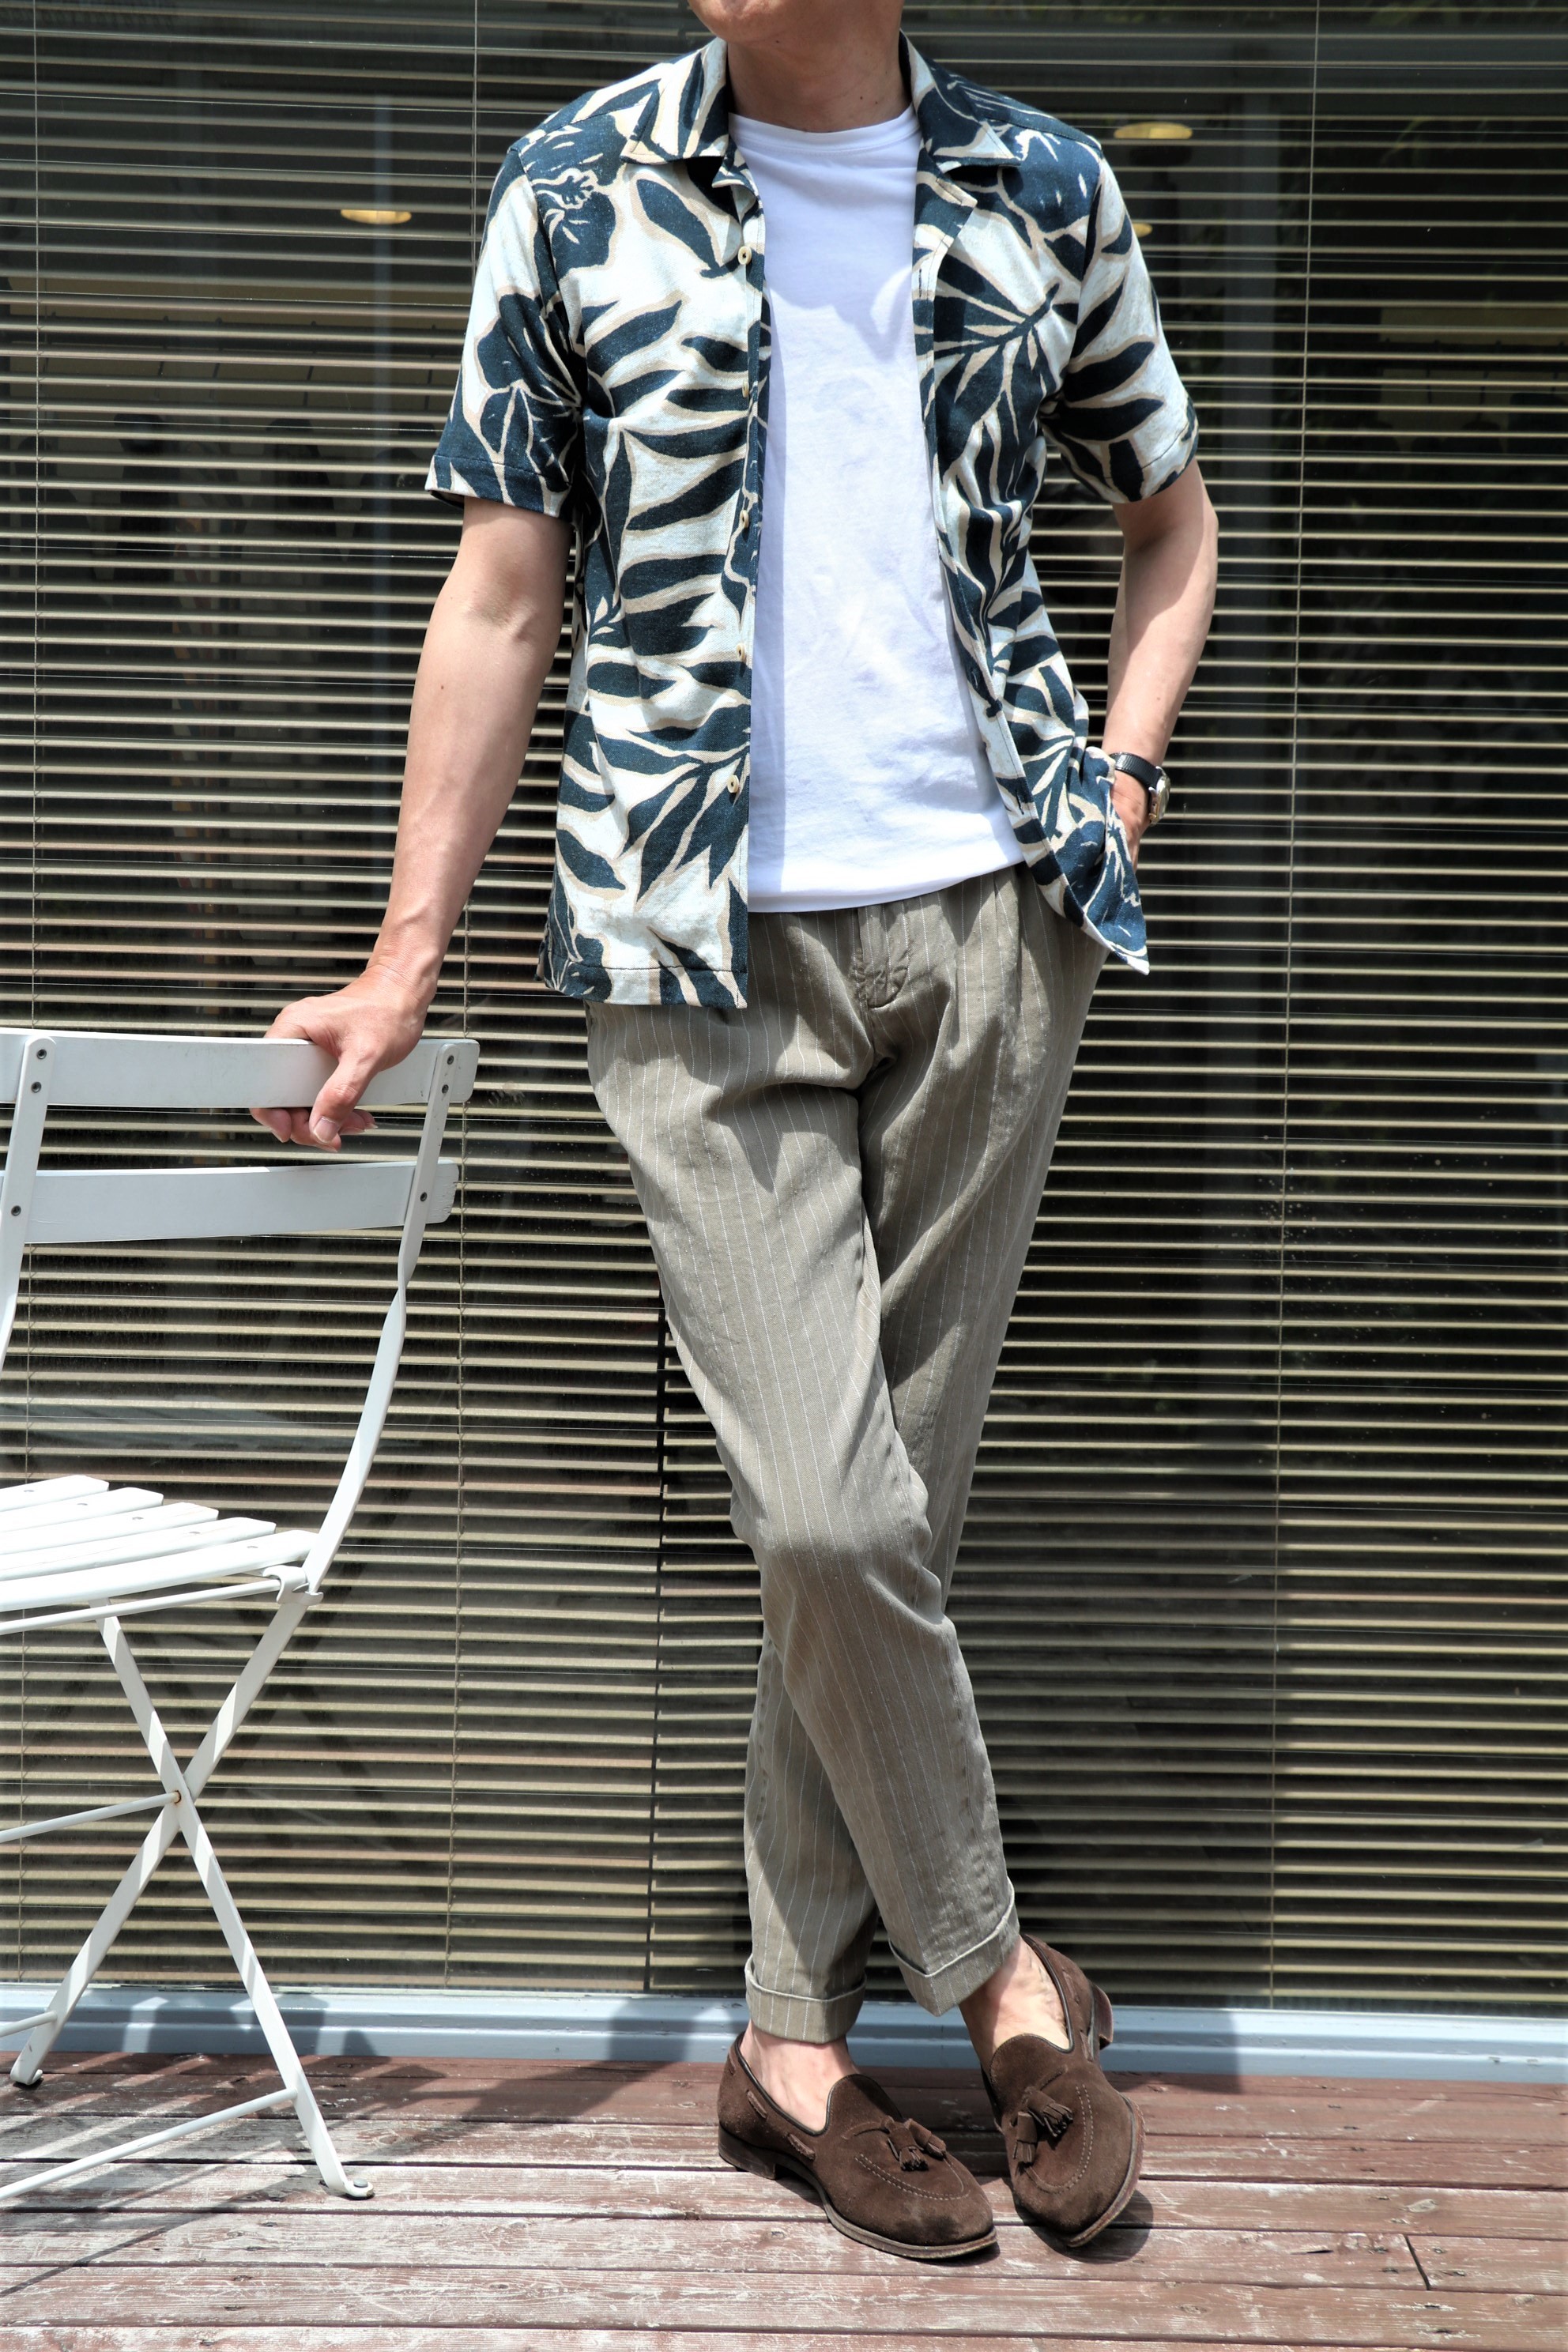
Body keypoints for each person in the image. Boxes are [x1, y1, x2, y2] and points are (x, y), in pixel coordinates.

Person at [254, 0, 1217, 2265]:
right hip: (691, 951)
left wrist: (1120, 780)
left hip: (991, 932)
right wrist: (401, 961)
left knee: (886, 1526)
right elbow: (501, 592)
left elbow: (1169, 520)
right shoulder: (575, 188)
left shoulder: (1046, 189)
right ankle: (1003, 1977)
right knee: (824, 1512)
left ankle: (789, 2047)